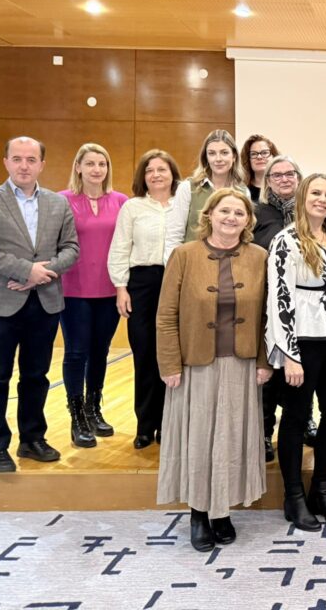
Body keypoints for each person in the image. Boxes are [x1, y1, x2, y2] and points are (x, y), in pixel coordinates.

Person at [156, 188, 271, 551]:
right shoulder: (184, 255)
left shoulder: (260, 257)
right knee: (199, 439)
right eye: (225, 211)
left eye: (239, 213)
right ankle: (198, 513)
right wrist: (170, 363)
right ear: (208, 215)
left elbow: (269, 316)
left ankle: (222, 511)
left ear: (248, 220)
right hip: (195, 364)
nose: (231, 218)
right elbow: (165, 315)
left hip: (241, 362)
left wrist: (265, 361)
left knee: (231, 439)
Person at [0, 137, 79, 473]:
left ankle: (32, 439)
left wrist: (42, 274)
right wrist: (25, 270)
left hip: (43, 302)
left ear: (42, 164)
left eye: (31, 159)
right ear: (6, 162)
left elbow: (71, 248)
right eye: (17, 159)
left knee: (36, 375)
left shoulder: (58, 203)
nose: (24, 166)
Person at [267, 173, 326, 532]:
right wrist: (289, 354)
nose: (323, 200)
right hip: (303, 342)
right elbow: (279, 298)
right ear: (303, 197)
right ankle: (293, 496)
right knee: (297, 417)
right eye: (316, 193)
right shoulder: (286, 241)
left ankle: (322, 489)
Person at [108, 149, 180, 449]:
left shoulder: (183, 205)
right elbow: (120, 247)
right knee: (145, 353)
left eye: (162, 169)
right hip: (142, 284)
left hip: (177, 282)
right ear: (143, 177)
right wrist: (121, 287)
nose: (156, 175)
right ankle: (145, 425)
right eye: (150, 170)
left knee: (174, 355)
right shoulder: (132, 207)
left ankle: (170, 424)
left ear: (172, 174)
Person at [58, 143, 128, 449]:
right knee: (76, 352)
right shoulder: (62, 200)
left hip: (110, 289)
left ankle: (93, 409)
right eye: (90, 163)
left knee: (100, 352)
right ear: (78, 167)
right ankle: (76, 417)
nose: (96, 169)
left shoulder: (121, 201)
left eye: (102, 163)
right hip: (73, 289)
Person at [251, 154, 309, 460]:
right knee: (269, 367)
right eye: (277, 175)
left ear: (299, 177)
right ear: (268, 181)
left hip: (305, 302)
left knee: (302, 363)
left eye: (290, 174)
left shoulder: (309, 211)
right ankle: (263, 430)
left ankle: (304, 419)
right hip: (266, 301)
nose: (284, 179)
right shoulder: (257, 212)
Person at [164, 129, 247, 262]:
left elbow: (244, 235)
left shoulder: (243, 192)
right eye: (212, 153)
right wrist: (173, 267)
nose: (218, 159)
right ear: (206, 158)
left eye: (224, 153)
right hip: (192, 263)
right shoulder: (187, 188)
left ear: (234, 156)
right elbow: (174, 235)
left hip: (230, 265)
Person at [240, 134, 279, 203]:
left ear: (273, 156)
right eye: (253, 154)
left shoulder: (283, 186)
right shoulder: (241, 191)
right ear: (248, 160)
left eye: (265, 153)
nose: (259, 157)